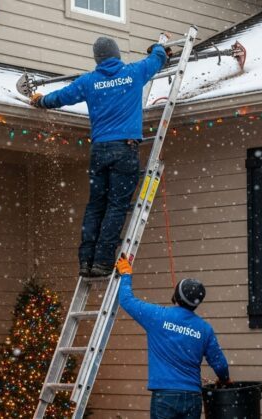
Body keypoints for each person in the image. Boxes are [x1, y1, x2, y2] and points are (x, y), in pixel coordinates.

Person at [30, 37, 168, 277]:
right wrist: (157, 48)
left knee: (95, 206)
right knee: (116, 206)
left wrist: (40, 101)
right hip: (125, 149)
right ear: (116, 54)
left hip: (100, 150)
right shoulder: (134, 72)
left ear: (98, 59)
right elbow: (157, 59)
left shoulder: (89, 82)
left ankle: (86, 261)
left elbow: (61, 97)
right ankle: (103, 262)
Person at [115, 255, 230, 419]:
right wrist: (225, 379)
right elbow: (219, 363)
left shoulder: (157, 317)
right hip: (192, 397)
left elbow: (126, 300)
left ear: (176, 295)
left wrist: (126, 273)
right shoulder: (204, 329)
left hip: (165, 397)